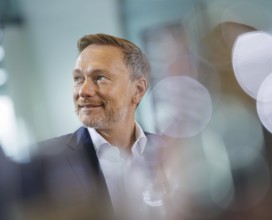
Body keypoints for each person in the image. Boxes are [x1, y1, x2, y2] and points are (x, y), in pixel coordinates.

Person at [20, 34, 166, 220]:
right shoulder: (43, 164)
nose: (83, 91)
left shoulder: (171, 154)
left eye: (100, 78)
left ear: (137, 90)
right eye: (78, 78)